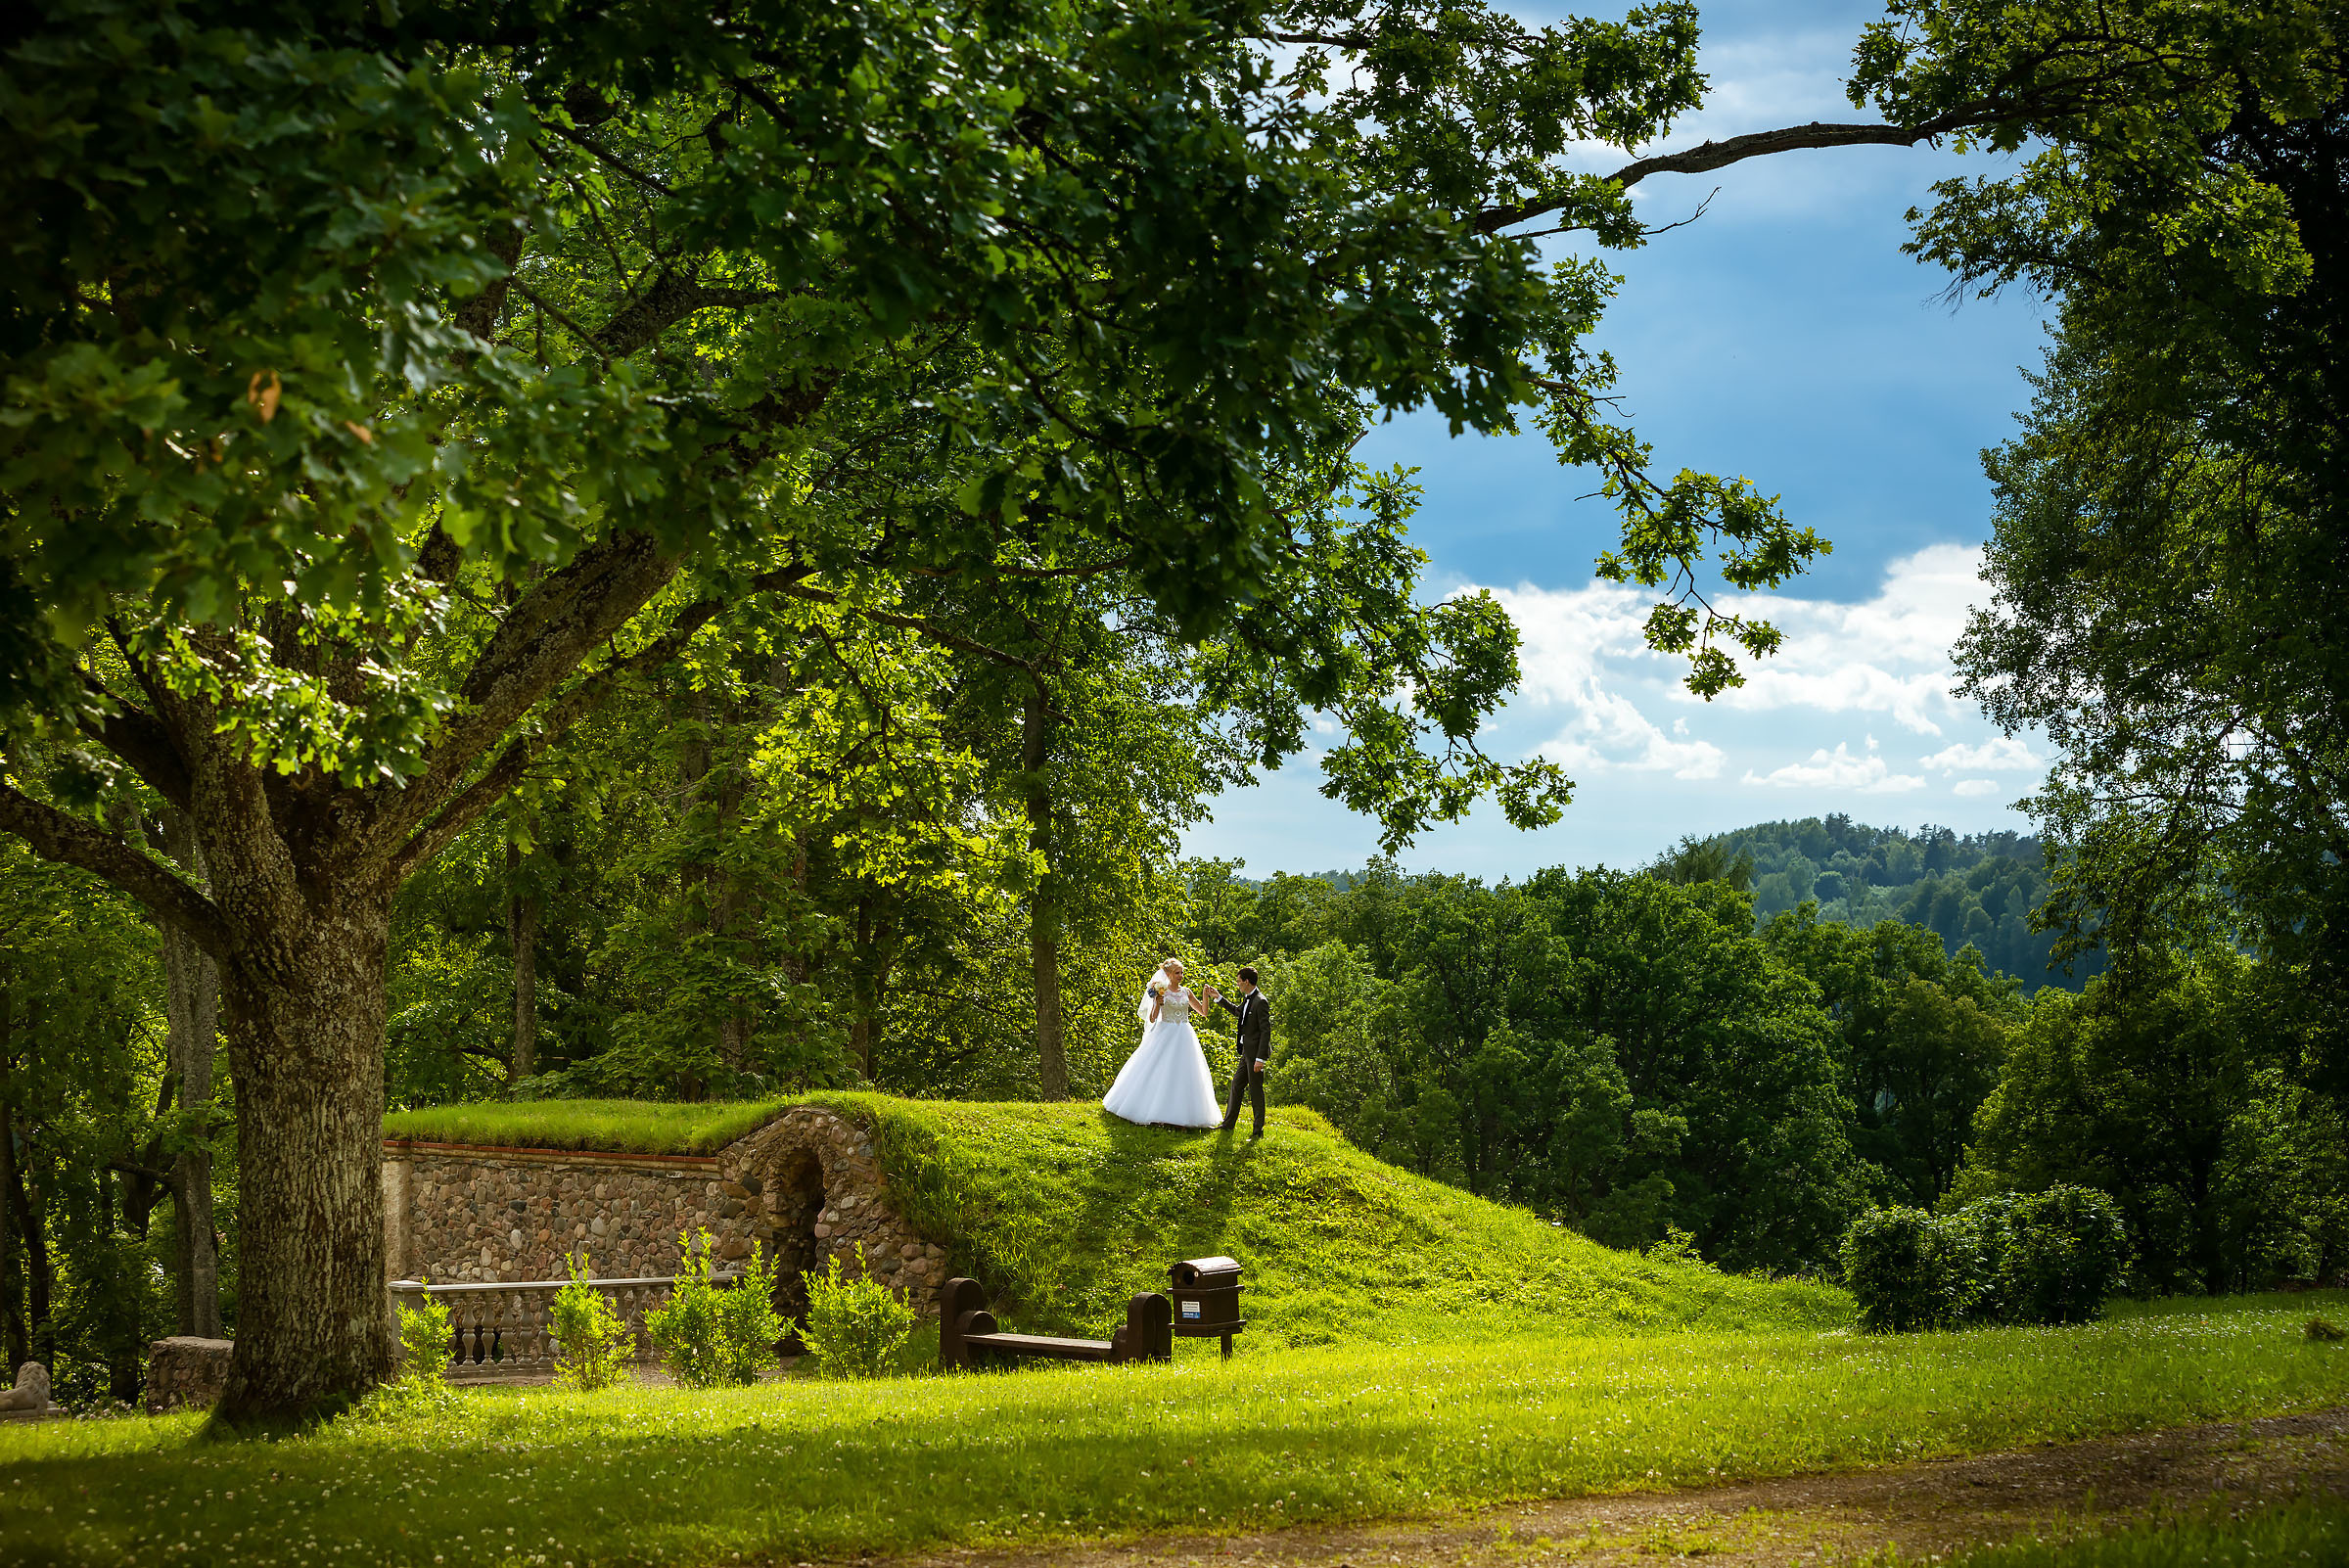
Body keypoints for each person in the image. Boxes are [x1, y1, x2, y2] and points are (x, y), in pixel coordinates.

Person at [1100, 958, 1221, 1129]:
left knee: (1186, 1073)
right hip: (1166, 1032)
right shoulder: (1161, 992)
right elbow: (1152, 1018)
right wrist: (1157, 1003)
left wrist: (1205, 996)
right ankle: (1155, 1111)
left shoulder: (1186, 992)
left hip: (1185, 1035)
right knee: (1162, 1071)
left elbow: (1203, 1012)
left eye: (1182, 972)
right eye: (1177, 973)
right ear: (1169, 974)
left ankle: (1184, 1113)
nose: (1180, 976)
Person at [1205, 966, 1271, 1138]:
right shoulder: (1248, 999)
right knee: (1236, 1085)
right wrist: (1218, 997)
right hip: (1246, 1053)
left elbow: (1266, 1032)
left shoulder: (1260, 1001)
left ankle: (1258, 1131)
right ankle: (1228, 1125)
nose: (1238, 985)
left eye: (1239, 982)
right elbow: (1237, 1011)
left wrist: (1260, 1059)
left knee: (1256, 1092)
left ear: (1247, 982)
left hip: (1255, 1055)